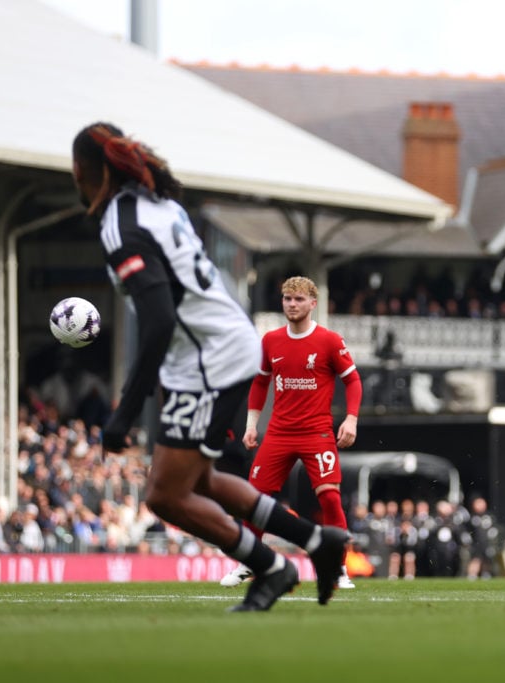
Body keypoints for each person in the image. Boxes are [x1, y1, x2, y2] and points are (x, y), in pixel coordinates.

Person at [71, 122, 347, 611]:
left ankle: (272, 567)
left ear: (89, 172)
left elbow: (157, 321)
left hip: (209, 358)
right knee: (199, 482)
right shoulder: (161, 207)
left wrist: (125, 411)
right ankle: (316, 542)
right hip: (208, 350)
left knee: (164, 495)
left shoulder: (120, 223)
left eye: (75, 172)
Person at [220, 276, 362, 589]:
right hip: (279, 433)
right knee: (254, 501)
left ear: (313, 303)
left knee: (330, 499)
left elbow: (353, 380)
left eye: (298, 299)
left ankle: (338, 568)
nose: (292, 304)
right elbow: (260, 382)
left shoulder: (329, 341)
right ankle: (249, 563)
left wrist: (350, 419)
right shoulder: (270, 341)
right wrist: (251, 425)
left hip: (317, 434)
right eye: (287, 299)